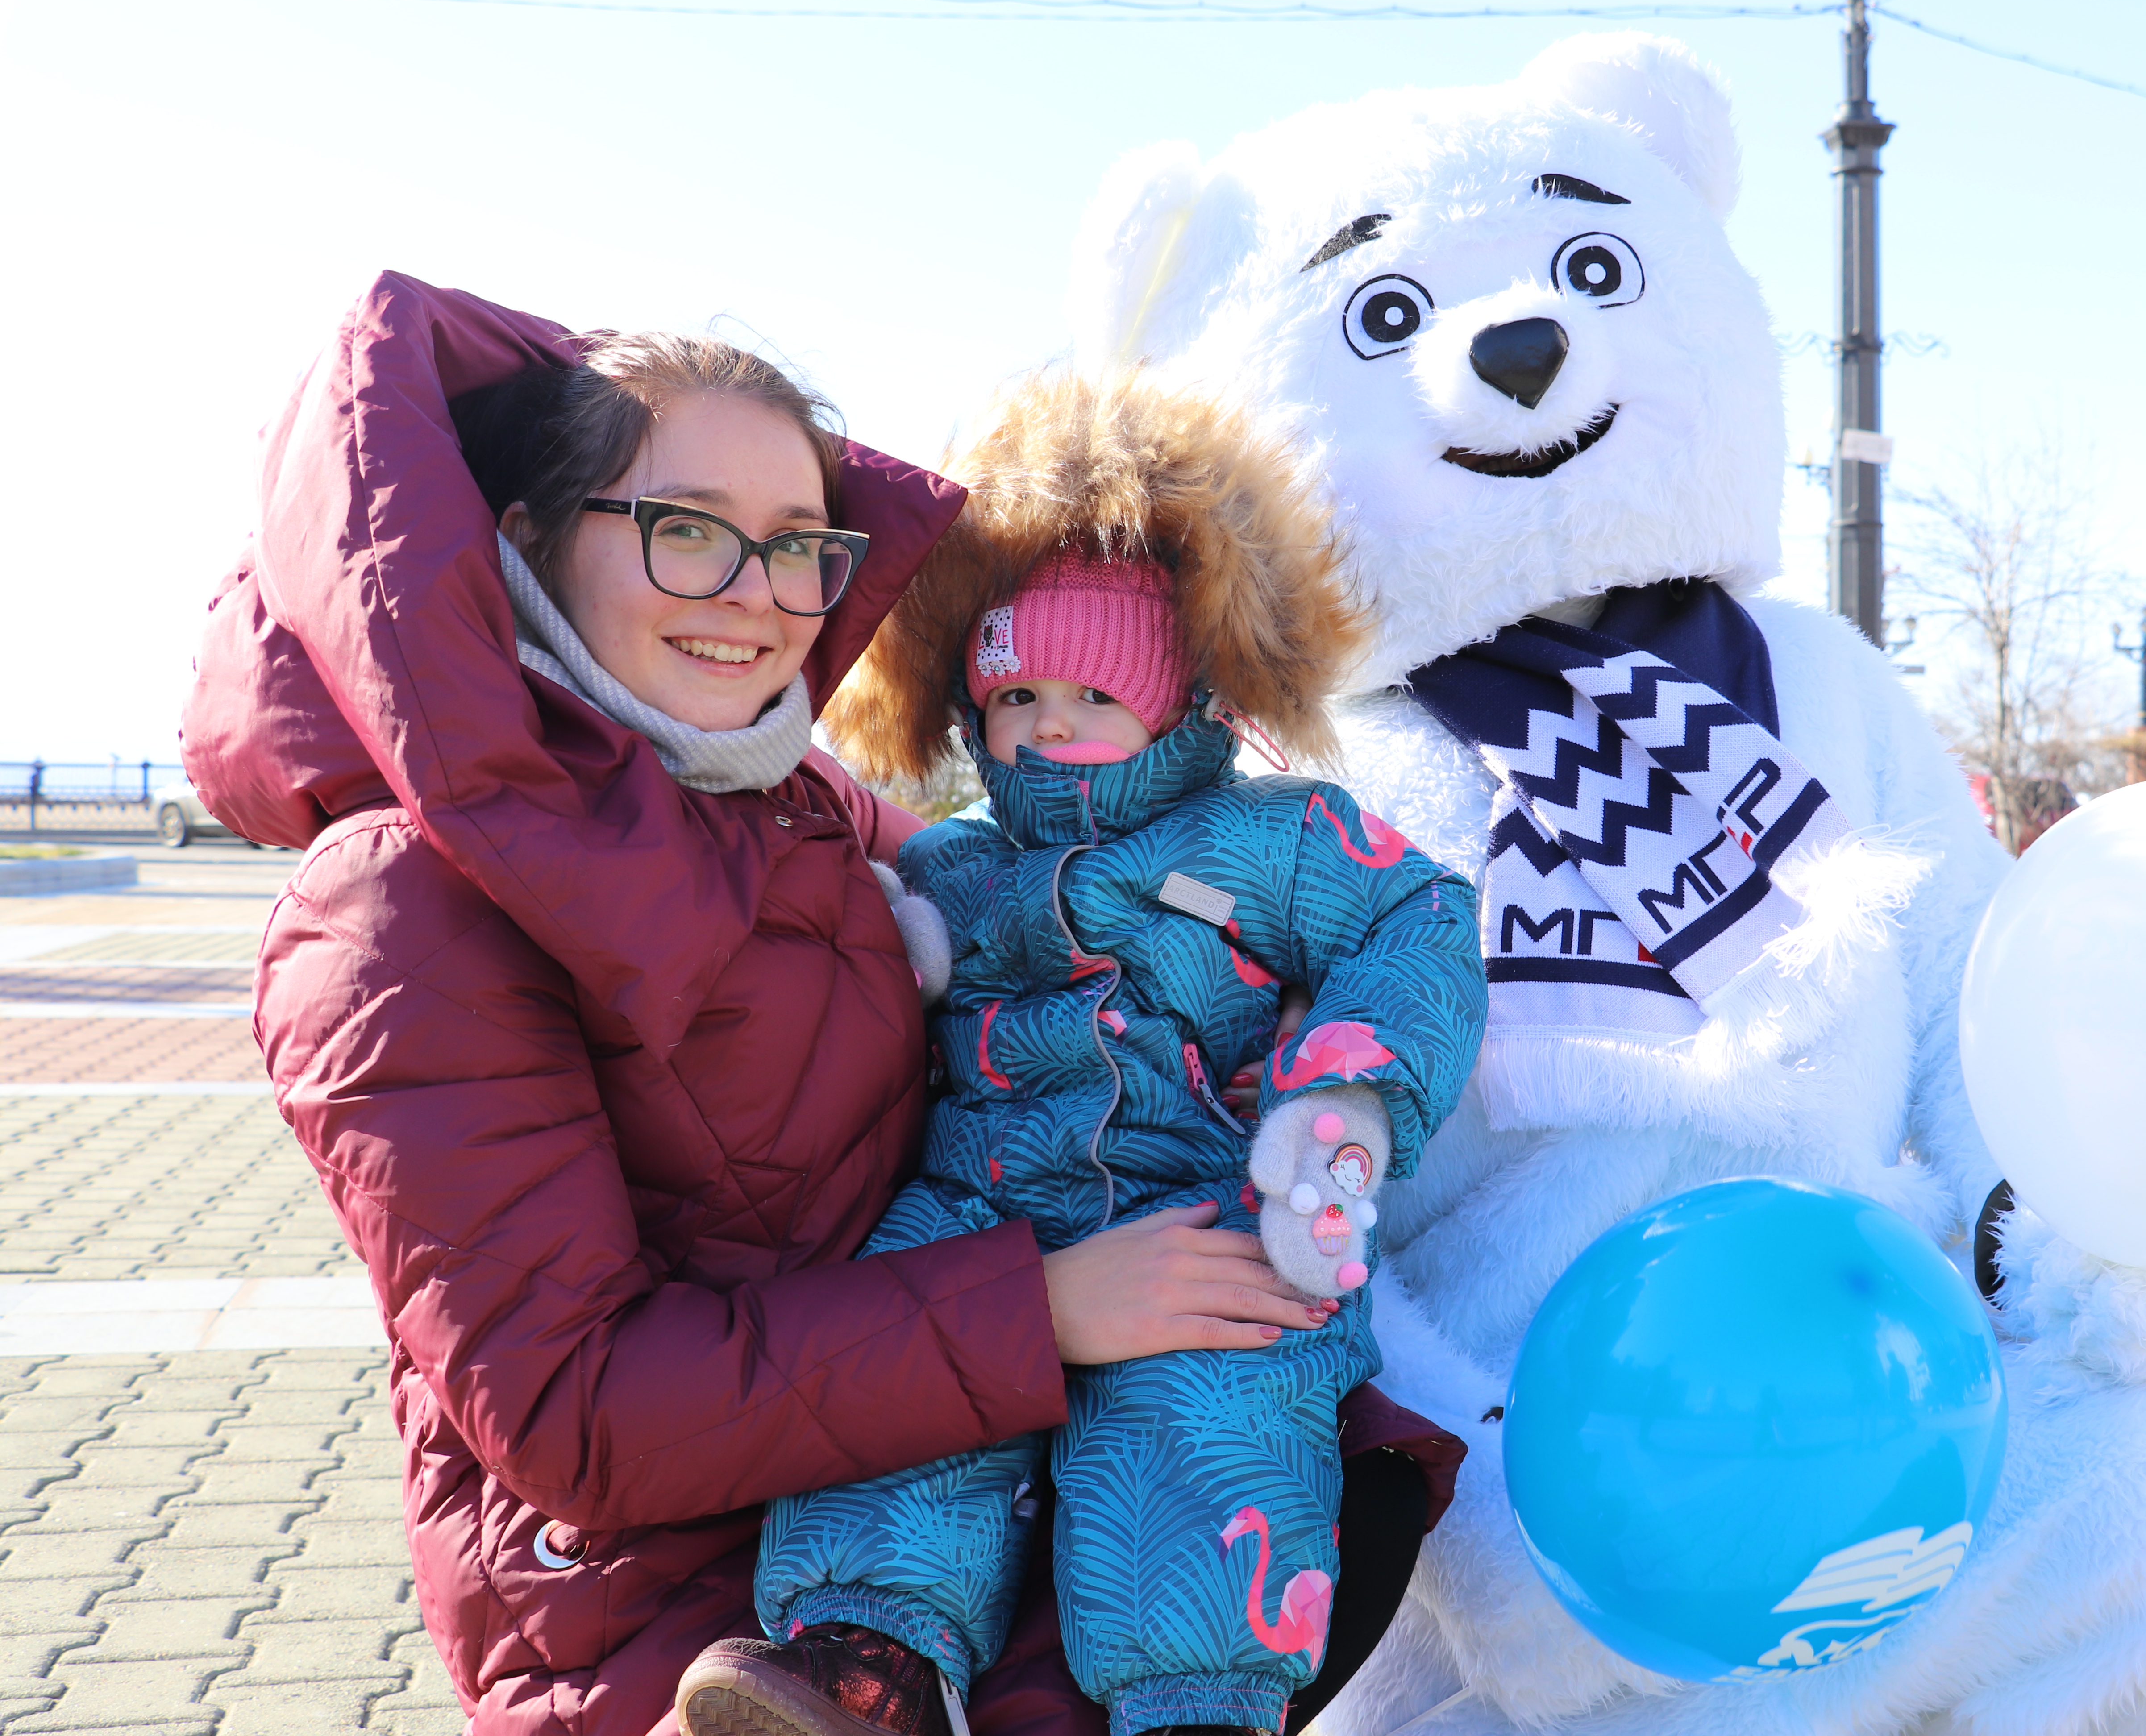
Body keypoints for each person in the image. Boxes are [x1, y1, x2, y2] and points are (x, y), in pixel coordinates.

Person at [179, 274, 1463, 1736]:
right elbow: (573, 1416)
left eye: (800, 548)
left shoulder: (770, 798)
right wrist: (1045, 1312)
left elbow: (1168, 905)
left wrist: (1286, 1038)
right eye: (687, 531)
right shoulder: (400, 908)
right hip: (696, 1633)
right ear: (526, 536)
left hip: (997, 1503)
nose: (759, 597)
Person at [686, 372, 1488, 1736]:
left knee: (1216, 1397)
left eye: (1094, 693)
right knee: (906, 1369)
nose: (1047, 726)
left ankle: (1194, 1703)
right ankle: (869, 1659)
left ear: (1180, 698)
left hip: (1197, 1193)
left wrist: (1345, 1092)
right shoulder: (956, 855)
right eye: (1015, 695)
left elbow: (1418, 923)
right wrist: (891, 941)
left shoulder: (1274, 837)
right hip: (980, 1195)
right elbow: (880, 944)